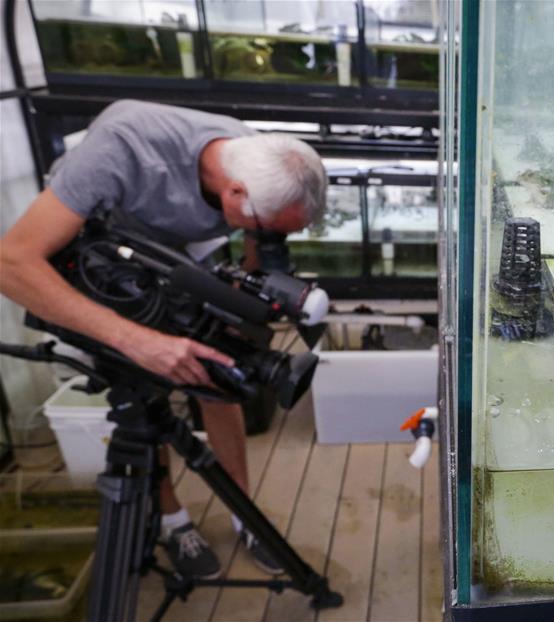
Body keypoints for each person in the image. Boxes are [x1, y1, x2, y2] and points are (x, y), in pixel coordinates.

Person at [0, 99, 327, 579]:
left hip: (179, 251)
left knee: (220, 374)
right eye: (267, 230)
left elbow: (259, 244)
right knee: (140, 393)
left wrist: (245, 301)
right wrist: (138, 342)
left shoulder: (255, 156)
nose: (270, 240)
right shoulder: (122, 150)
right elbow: (11, 261)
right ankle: (174, 521)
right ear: (235, 193)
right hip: (102, 257)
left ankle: (244, 515)